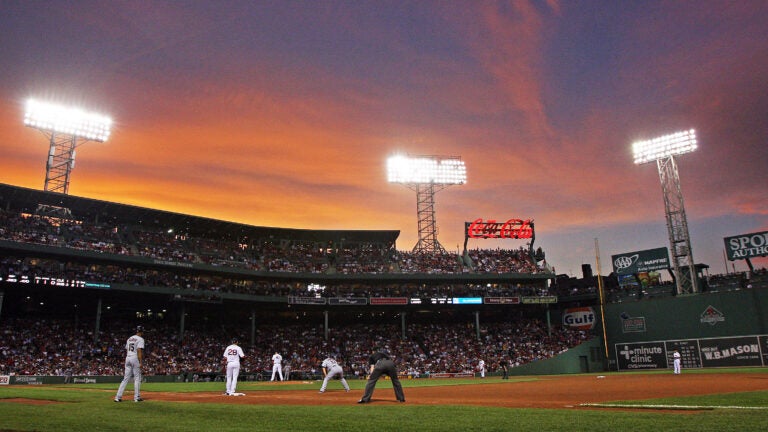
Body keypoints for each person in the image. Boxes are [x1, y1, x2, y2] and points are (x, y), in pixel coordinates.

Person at [114, 326, 145, 402]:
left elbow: (127, 349)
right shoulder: (140, 339)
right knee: (137, 378)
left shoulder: (129, 338)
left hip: (128, 357)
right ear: (141, 332)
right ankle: (136, 397)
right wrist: (141, 362)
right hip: (135, 358)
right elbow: (139, 351)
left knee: (125, 379)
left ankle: (118, 397)